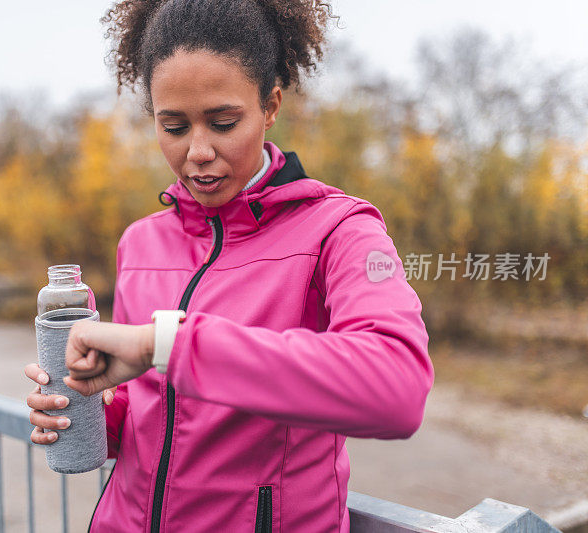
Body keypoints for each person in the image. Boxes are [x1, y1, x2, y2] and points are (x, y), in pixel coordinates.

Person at [25, 0, 435, 531]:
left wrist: (167, 343)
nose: (197, 150)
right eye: (172, 127)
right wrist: (90, 412)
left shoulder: (341, 230)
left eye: (222, 123)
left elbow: (396, 390)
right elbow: (147, 415)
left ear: (270, 106)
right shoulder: (139, 243)